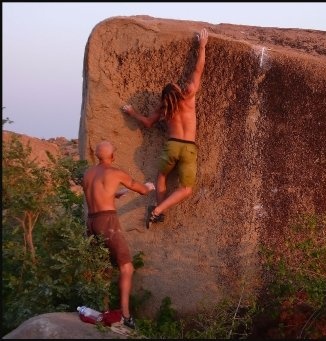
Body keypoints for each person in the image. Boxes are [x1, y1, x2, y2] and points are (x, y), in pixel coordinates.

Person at [121, 28, 209, 228]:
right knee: (186, 189)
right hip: (188, 147)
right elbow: (198, 69)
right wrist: (202, 46)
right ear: (178, 90)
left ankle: (158, 211)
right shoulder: (188, 95)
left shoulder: (164, 108)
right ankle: (159, 211)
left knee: (161, 177)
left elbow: (147, 123)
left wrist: (132, 112)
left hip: (171, 147)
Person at [82, 140, 156, 329]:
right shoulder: (115, 172)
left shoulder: (88, 174)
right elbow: (141, 190)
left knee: (103, 268)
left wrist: (115, 194)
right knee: (126, 267)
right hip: (107, 222)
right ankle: (125, 315)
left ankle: (103, 309)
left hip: (91, 222)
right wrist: (148, 186)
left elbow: (96, 194)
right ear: (112, 156)